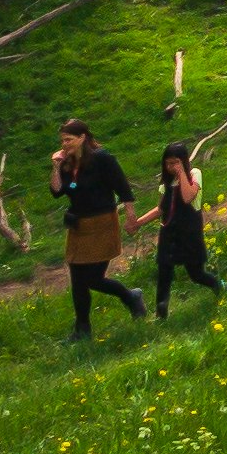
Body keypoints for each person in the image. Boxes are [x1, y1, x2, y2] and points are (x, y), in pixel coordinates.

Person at [48, 118, 146, 338]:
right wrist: (56, 165)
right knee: (77, 279)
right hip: (78, 226)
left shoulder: (103, 159)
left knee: (93, 278)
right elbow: (56, 191)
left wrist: (131, 218)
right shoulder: (67, 163)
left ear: (83, 137)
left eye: (69, 139)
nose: (64, 144)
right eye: (62, 140)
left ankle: (131, 296)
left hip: (102, 222)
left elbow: (123, 188)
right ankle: (82, 329)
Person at [144, 141, 223, 319]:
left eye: (175, 163)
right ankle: (160, 314)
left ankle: (219, 286)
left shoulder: (194, 174)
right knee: (164, 272)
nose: (171, 167)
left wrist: (181, 174)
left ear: (184, 161)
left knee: (196, 274)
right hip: (169, 233)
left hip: (189, 232)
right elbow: (160, 209)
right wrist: (137, 223)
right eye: (168, 163)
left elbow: (188, 198)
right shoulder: (165, 183)